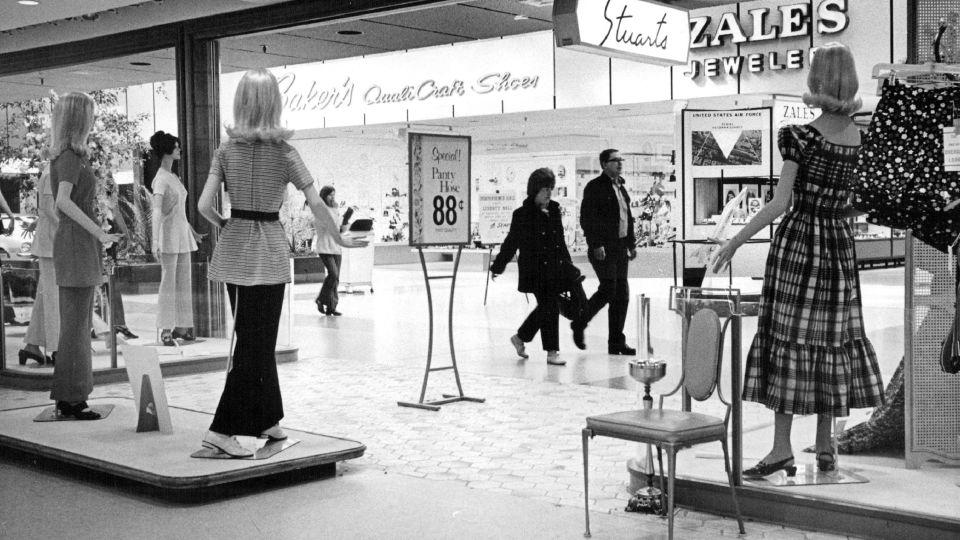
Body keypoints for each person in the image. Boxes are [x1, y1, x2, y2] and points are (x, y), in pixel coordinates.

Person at [710, 43, 885, 477]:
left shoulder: (799, 136)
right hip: (838, 248)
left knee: (786, 338)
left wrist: (733, 242)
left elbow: (779, 204)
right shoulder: (861, 138)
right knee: (832, 340)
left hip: (798, 247)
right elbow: (859, 204)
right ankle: (826, 446)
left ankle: (781, 448)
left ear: (816, 80)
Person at [197, 68, 368, 457]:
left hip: (235, 245)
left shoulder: (225, 151)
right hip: (269, 250)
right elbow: (316, 203)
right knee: (259, 344)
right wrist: (339, 236)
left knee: (251, 338)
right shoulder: (286, 153)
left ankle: (267, 418)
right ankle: (221, 430)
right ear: (274, 103)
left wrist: (225, 223)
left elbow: (204, 205)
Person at [49, 92, 123, 420]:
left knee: (77, 323)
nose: (93, 121)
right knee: (77, 324)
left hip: (78, 242)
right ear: (80, 119)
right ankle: (72, 397)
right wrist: (99, 233)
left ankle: (71, 395)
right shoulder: (68, 157)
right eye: (89, 116)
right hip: (76, 242)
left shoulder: (70, 156)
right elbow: (63, 202)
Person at [490, 168, 572, 366]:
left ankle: (520, 338)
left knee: (547, 306)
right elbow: (511, 242)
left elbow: (560, 241)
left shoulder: (554, 209)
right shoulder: (522, 214)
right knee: (550, 306)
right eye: (545, 189)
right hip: (533, 271)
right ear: (534, 190)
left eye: (551, 189)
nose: (548, 194)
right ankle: (552, 352)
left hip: (553, 268)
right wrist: (498, 265)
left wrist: (569, 267)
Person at [571, 149, 637, 355]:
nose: (619, 163)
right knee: (609, 289)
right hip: (603, 248)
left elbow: (627, 218)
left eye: (620, 160)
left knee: (622, 295)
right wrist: (595, 244)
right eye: (614, 160)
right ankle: (580, 323)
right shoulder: (594, 188)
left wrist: (631, 244)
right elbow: (587, 219)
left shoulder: (621, 187)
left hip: (619, 248)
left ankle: (616, 342)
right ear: (603, 164)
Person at [150, 130, 201, 345]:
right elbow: (157, 211)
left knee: (183, 283)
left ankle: (182, 326)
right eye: (176, 146)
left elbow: (179, 210)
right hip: (169, 237)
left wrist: (192, 232)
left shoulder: (173, 177)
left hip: (181, 235)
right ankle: (165, 330)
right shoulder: (160, 179)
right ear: (167, 151)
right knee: (168, 284)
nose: (179, 149)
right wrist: (155, 241)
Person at [19, 165, 57, 366]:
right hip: (52, 243)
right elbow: (49, 209)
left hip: (53, 243)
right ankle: (57, 348)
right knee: (53, 297)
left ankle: (32, 346)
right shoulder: (52, 172)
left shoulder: (55, 170)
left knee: (47, 296)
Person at [313, 185, 345, 316]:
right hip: (325, 247)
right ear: (324, 196)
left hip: (336, 247)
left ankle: (331, 307)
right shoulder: (320, 210)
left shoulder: (335, 209)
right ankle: (321, 299)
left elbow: (338, 229)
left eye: (334, 195)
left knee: (336, 279)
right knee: (333, 274)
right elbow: (327, 227)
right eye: (330, 195)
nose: (333, 197)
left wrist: (345, 222)